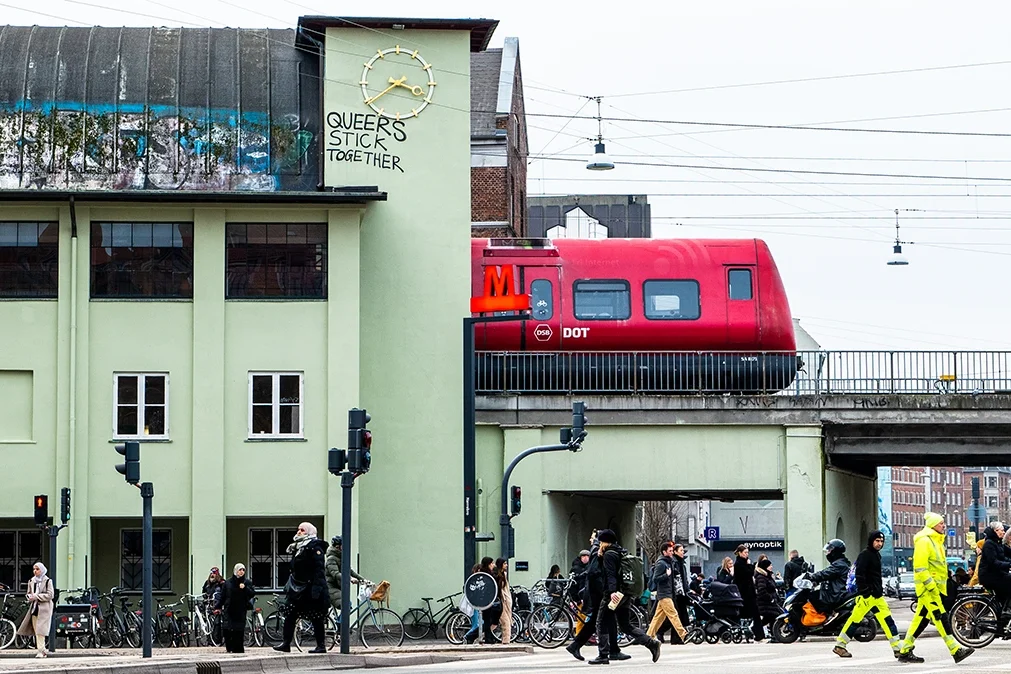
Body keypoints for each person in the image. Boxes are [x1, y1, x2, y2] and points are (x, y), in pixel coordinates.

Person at [897, 512, 974, 664]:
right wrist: (931, 585)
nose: (943, 525)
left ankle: (905, 650)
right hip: (929, 589)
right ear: (933, 525)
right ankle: (955, 650)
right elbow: (920, 567)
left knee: (921, 620)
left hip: (935, 588)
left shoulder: (935, 540)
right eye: (940, 523)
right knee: (940, 617)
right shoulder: (924, 541)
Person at [588, 529, 660, 665]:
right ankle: (651, 643)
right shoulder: (621, 552)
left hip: (614, 594)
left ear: (605, 542)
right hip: (626, 593)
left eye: (601, 541)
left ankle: (603, 654)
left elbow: (611, 575)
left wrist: (612, 592)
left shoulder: (609, 554)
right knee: (625, 625)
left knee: (601, 621)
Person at [832, 531, 901, 659]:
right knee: (855, 621)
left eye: (881, 541)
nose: (879, 544)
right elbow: (859, 574)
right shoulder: (865, 555)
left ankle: (898, 648)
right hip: (868, 597)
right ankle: (840, 646)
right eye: (877, 541)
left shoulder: (876, 555)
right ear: (871, 541)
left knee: (887, 621)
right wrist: (865, 592)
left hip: (876, 597)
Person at [273, 522, 330, 654]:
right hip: (297, 588)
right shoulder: (298, 547)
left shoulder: (314, 547)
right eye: (298, 529)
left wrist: (316, 589)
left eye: (302, 530)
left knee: (316, 617)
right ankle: (286, 643)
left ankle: (321, 646)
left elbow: (319, 569)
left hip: (310, 588)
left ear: (309, 532)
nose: (299, 532)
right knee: (290, 614)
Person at [566, 537, 625, 662]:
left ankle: (577, 646)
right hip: (599, 593)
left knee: (599, 621)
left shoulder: (599, 550)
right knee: (603, 621)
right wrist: (604, 590)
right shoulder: (597, 550)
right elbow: (593, 573)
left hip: (599, 592)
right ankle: (611, 650)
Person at [646, 541, 687, 645]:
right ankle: (683, 635)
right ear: (664, 552)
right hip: (664, 594)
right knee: (674, 614)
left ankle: (648, 636)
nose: (672, 553)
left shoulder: (668, 562)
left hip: (667, 593)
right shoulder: (661, 563)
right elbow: (655, 579)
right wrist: (666, 575)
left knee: (658, 618)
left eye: (672, 551)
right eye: (670, 551)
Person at [16, 562, 53, 658]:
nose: (35, 571)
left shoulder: (48, 581)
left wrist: (37, 596)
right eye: (34, 569)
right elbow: (28, 593)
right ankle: (43, 650)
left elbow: (50, 595)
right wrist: (29, 597)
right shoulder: (31, 581)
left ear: (42, 570)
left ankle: (41, 651)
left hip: (44, 609)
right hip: (34, 608)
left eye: (37, 569)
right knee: (37, 630)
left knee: (41, 630)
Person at [219, 563, 256, 653]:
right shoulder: (228, 582)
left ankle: (238, 649)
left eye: (243, 570)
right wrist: (218, 606)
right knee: (227, 629)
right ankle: (229, 647)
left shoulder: (246, 582)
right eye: (240, 570)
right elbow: (223, 596)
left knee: (239, 630)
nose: (242, 572)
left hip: (240, 609)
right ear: (236, 570)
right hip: (229, 608)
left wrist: (245, 588)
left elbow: (252, 593)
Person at [978, 522, 1011, 617]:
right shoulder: (989, 544)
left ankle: (1004, 610)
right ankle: (1006, 610)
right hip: (989, 576)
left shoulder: (998, 542)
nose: (1004, 532)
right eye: (1002, 530)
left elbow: (1008, 553)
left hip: (996, 574)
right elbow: (993, 563)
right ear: (995, 531)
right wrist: (1009, 564)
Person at [325, 535, 363, 616]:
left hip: (337, 588)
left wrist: (363, 580)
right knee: (346, 604)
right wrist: (350, 578)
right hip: (331, 587)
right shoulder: (331, 558)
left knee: (347, 605)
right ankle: (340, 627)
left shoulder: (341, 557)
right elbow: (335, 574)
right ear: (338, 547)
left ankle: (340, 625)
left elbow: (349, 571)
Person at [733, 545, 765, 641]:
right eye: (745, 552)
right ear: (740, 553)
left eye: (747, 552)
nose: (747, 554)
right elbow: (749, 573)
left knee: (754, 614)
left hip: (749, 592)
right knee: (752, 613)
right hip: (745, 593)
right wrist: (750, 565)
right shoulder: (739, 564)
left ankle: (758, 634)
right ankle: (757, 634)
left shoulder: (743, 563)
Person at [754, 558, 781, 638]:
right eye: (770, 565)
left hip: (769, 602)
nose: (771, 566)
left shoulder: (767, 576)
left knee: (769, 618)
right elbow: (762, 590)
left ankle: (755, 629)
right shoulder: (761, 577)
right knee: (773, 616)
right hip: (765, 602)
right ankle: (774, 635)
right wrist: (770, 598)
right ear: (765, 567)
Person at [495, 558, 513, 645]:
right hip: (501, 601)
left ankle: (479, 636)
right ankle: (506, 641)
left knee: (495, 623)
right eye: (505, 563)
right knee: (506, 621)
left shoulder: (503, 574)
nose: (506, 565)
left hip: (504, 600)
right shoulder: (498, 576)